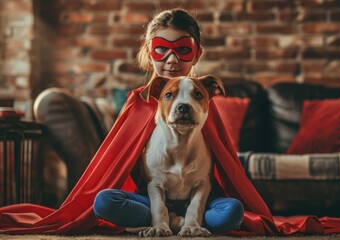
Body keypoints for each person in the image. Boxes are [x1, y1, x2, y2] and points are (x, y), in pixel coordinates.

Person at [91, 9, 244, 235]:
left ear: (197, 54)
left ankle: (186, 221)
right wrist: (158, 210)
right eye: (161, 49)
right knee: (104, 202)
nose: (172, 60)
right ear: (149, 52)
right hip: (149, 199)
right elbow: (116, 164)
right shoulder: (138, 103)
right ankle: (168, 221)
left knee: (232, 211)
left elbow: (223, 167)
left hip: (200, 200)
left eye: (183, 49)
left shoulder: (203, 100)